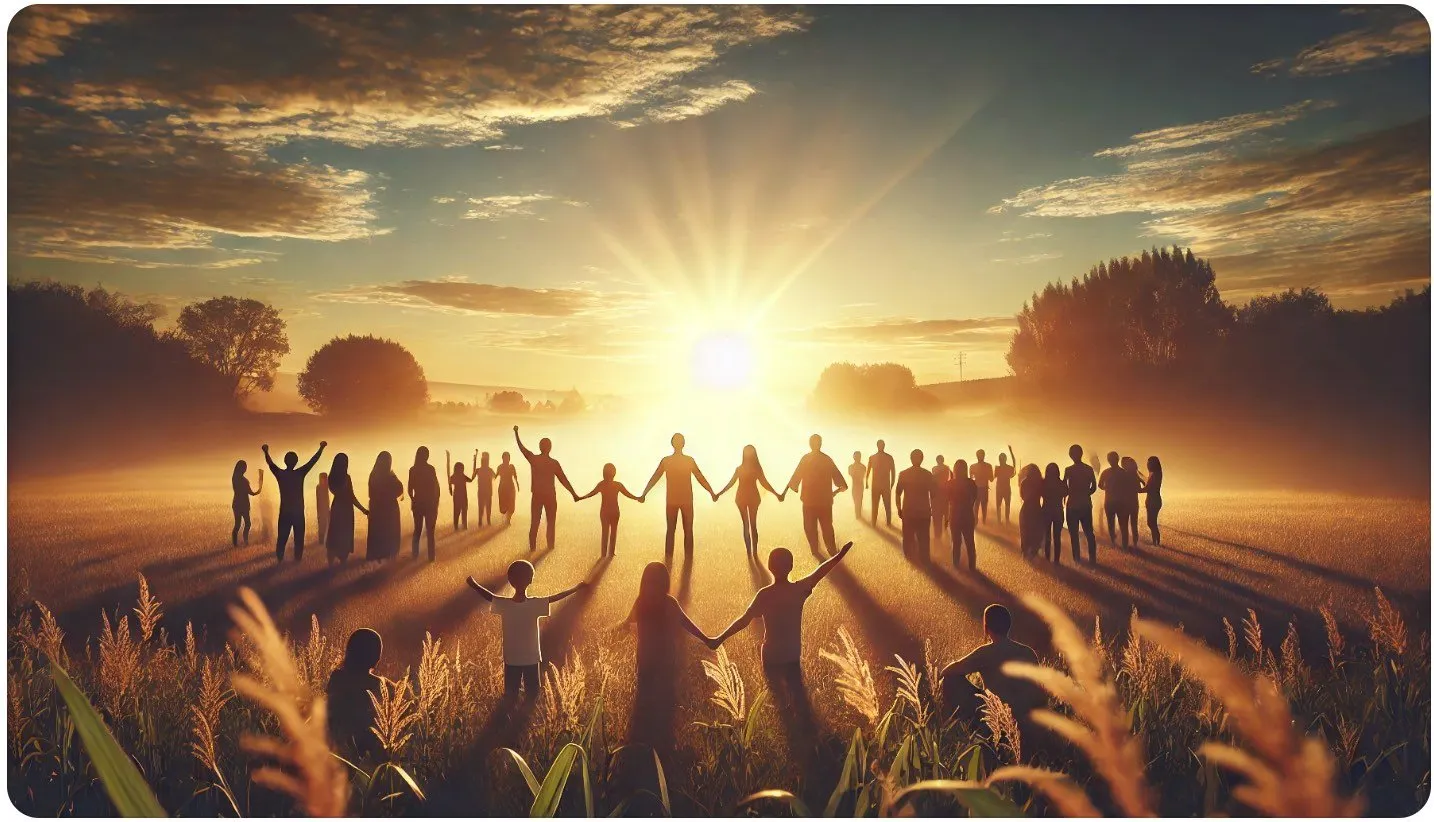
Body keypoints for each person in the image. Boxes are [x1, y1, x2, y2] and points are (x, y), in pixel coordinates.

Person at [709, 543, 852, 709]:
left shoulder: (765, 595)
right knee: (798, 697)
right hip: (791, 655)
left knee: (778, 700)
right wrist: (839, 555)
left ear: (769, 567)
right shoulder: (798, 590)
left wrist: (720, 638)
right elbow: (820, 572)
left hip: (771, 656)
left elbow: (744, 620)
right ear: (791, 566)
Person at [620, 562, 715, 751]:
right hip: (655, 660)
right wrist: (706, 638)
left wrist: (706, 638)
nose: (653, 585)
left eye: (654, 582)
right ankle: (655, 739)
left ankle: (649, 738)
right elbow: (630, 620)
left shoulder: (652, 601)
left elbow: (685, 623)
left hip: (655, 660)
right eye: (651, 581)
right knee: (655, 698)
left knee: (653, 697)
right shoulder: (656, 602)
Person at [467, 560, 588, 700]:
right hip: (531, 658)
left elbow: (490, 597)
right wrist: (575, 588)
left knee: (511, 695)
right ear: (530, 579)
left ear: (510, 580)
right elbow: (555, 598)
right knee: (532, 695)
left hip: (512, 658)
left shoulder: (505, 605)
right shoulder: (534, 604)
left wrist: (474, 585)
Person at [940, 604, 1045, 742]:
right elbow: (1038, 689)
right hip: (1028, 717)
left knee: (950, 680)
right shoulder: (1028, 652)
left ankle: (966, 725)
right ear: (1008, 626)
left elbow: (946, 672)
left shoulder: (986, 652)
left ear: (987, 627)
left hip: (999, 714)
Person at [640, 433, 715, 560]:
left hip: (672, 501)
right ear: (683, 444)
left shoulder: (667, 461)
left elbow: (655, 477)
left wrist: (644, 493)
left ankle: (669, 560)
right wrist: (711, 492)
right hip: (686, 500)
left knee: (671, 531)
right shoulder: (688, 460)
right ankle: (688, 560)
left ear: (672, 444)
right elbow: (700, 478)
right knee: (688, 531)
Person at [262, 441, 327, 563]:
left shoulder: (281, 474)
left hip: (285, 512)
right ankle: (297, 562)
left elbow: (270, 464)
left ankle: (279, 561)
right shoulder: (300, 473)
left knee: (282, 539)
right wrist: (321, 448)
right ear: (296, 462)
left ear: (285, 461)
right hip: (297, 512)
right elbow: (313, 461)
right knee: (299, 540)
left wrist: (266, 451)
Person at [514, 427, 577, 552]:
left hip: (538, 496)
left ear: (540, 447)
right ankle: (550, 548)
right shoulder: (553, 463)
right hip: (549, 496)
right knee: (551, 523)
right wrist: (573, 494)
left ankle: (533, 549)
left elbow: (522, 448)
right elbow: (564, 480)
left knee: (535, 522)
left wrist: (516, 433)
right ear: (550, 448)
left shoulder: (534, 459)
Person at [714, 445, 784, 557]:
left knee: (747, 524)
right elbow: (764, 483)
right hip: (751, 497)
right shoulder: (755, 469)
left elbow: (731, 484)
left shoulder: (741, 469)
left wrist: (718, 494)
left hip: (743, 497)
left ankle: (751, 553)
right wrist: (777, 494)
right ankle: (753, 553)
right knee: (752, 524)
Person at [786, 434, 848, 556]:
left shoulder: (806, 459)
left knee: (811, 527)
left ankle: (816, 551)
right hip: (824, 501)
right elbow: (842, 485)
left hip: (809, 502)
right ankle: (832, 552)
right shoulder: (827, 459)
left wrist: (787, 490)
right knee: (826, 527)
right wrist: (833, 493)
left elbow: (794, 482)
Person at [326, 628, 384, 760]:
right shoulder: (377, 684)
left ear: (349, 652)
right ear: (376, 657)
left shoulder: (337, 677)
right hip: (365, 749)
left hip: (335, 747)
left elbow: (329, 709)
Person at [576, 463, 641, 556]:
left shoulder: (601, 484)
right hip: (615, 511)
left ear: (603, 473)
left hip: (605, 511)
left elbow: (591, 493)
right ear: (614, 473)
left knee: (605, 532)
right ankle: (611, 552)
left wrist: (580, 498)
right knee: (613, 532)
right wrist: (638, 498)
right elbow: (628, 494)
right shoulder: (618, 485)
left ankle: (603, 553)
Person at [326, 453, 367, 563]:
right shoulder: (332, 478)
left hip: (346, 509)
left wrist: (363, 509)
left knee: (345, 533)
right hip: (340, 508)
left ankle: (342, 560)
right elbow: (337, 492)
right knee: (336, 533)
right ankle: (332, 560)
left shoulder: (346, 477)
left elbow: (352, 496)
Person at [896, 451, 936, 562]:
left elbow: (898, 493)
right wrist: (931, 509)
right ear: (922, 459)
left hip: (908, 512)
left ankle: (910, 564)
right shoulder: (928, 474)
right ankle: (925, 564)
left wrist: (899, 508)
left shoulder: (903, 474)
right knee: (923, 540)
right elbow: (933, 495)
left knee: (908, 539)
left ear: (910, 458)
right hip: (923, 512)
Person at [366, 451, 403, 562]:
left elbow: (371, 494)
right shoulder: (389, 475)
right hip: (388, 509)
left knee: (380, 532)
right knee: (388, 531)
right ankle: (387, 555)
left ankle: (379, 556)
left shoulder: (373, 474)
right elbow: (399, 489)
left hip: (378, 508)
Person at [1063, 445, 1097, 564]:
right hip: (1085, 504)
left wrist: (1070, 492)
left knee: (1074, 534)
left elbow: (1064, 488)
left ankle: (1077, 559)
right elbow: (1094, 487)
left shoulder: (1068, 470)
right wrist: (1086, 493)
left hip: (1073, 505)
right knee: (1088, 532)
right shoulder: (1088, 469)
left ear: (1071, 455)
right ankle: (1092, 558)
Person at [407, 447, 441, 560]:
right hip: (429, 503)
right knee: (430, 532)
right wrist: (436, 501)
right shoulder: (430, 469)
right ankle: (431, 557)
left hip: (418, 503)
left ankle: (415, 556)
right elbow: (436, 487)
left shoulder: (413, 469)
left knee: (417, 530)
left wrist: (414, 500)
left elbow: (409, 489)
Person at [948, 459, 979, 569]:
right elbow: (974, 498)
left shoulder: (950, 483)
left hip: (955, 515)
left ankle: (956, 566)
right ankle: (972, 567)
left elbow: (947, 500)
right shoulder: (970, 482)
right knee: (970, 542)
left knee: (956, 543)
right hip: (967, 515)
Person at [1098, 451, 1130, 550]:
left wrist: (1107, 488)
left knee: (1111, 523)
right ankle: (1124, 545)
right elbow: (1128, 487)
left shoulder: (1105, 472)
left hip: (1110, 502)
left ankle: (1114, 542)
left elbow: (1099, 485)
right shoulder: (1124, 472)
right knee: (1123, 525)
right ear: (1118, 459)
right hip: (1120, 502)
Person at [230, 460, 263, 547]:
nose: (245, 469)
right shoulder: (243, 480)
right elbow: (252, 493)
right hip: (243, 504)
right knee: (247, 523)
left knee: (237, 524)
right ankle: (245, 541)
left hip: (236, 503)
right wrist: (260, 483)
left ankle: (236, 544)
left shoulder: (235, 478)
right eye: (244, 467)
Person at [1041, 463, 1066, 563]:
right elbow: (1065, 493)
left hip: (1046, 510)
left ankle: (1047, 558)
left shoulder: (1043, 483)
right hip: (1058, 511)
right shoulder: (1060, 483)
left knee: (1047, 536)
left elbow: (1040, 493)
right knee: (1057, 537)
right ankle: (1056, 560)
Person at [1017, 463, 1044, 557]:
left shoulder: (1024, 482)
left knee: (1025, 530)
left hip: (1026, 508)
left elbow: (1022, 496)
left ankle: (1025, 551)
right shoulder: (1041, 482)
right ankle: (1034, 550)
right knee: (1036, 531)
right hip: (1037, 508)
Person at [868, 440, 895, 527]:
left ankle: (888, 523)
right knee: (876, 505)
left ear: (883, 445)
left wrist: (892, 482)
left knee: (887, 505)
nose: (881, 446)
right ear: (878, 446)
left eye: (882, 445)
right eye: (880, 445)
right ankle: (874, 523)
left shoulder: (888, 457)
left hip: (884, 485)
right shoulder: (872, 457)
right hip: (878, 485)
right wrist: (866, 482)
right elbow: (868, 471)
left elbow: (893, 471)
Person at [1120, 456, 1145, 548]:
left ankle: (1125, 544)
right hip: (1134, 503)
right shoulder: (1135, 477)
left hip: (1124, 504)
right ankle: (1135, 544)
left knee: (1124, 525)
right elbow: (1139, 490)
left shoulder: (1123, 475)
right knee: (1134, 524)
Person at [447, 450, 472, 532]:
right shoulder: (459, 476)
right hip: (459, 496)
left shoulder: (457, 476)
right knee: (458, 512)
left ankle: (462, 527)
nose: (462, 469)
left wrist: (450, 487)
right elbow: (470, 480)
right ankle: (458, 527)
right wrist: (450, 488)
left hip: (461, 496)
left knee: (461, 511)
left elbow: (470, 480)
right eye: (461, 468)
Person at [1142, 456, 1163, 546]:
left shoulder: (1154, 474)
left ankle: (1156, 542)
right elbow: (1147, 481)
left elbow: (1147, 488)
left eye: (1149, 463)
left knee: (1151, 522)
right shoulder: (1154, 473)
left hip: (1153, 500)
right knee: (1151, 522)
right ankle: (1155, 541)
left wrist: (1136, 489)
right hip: (1154, 500)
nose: (1147, 464)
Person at [931, 455, 952, 541]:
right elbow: (950, 477)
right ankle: (945, 524)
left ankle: (938, 534)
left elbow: (934, 479)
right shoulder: (947, 468)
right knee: (945, 509)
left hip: (939, 491)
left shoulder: (935, 468)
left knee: (938, 511)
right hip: (944, 490)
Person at [993, 447, 1016, 525]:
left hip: (1001, 488)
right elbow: (1013, 470)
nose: (1000, 460)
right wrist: (1011, 453)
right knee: (1005, 505)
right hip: (1004, 488)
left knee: (1003, 505)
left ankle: (1003, 520)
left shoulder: (998, 468)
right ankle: (1004, 520)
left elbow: (994, 477)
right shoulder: (1007, 468)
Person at [970, 449, 994, 525]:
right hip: (976, 489)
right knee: (976, 507)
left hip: (983, 488)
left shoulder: (988, 466)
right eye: (979, 455)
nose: (980, 456)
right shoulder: (973, 466)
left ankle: (983, 522)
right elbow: (971, 479)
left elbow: (991, 479)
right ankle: (977, 522)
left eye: (981, 455)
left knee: (983, 507)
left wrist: (985, 475)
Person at [496, 451, 519, 525]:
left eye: (507, 458)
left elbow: (515, 476)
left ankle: (508, 520)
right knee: (503, 508)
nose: (506, 459)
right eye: (504, 458)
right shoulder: (500, 467)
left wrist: (518, 485)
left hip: (510, 487)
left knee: (511, 505)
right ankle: (505, 518)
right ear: (502, 458)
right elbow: (495, 476)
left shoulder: (511, 466)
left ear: (509, 459)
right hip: (502, 487)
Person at [474, 451, 496, 526]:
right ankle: (483, 521)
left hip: (484, 491)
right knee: (485, 506)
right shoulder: (488, 470)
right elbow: (495, 477)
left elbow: (494, 477)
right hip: (485, 491)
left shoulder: (480, 470)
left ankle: (484, 521)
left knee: (484, 506)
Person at [848, 452, 867, 518]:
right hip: (855, 486)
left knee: (859, 501)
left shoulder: (863, 466)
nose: (857, 458)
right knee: (856, 501)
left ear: (860, 457)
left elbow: (863, 475)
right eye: (856, 456)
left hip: (860, 486)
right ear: (853, 457)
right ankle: (858, 515)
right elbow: (851, 474)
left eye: (858, 456)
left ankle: (858, 516)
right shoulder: (851, 466)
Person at [316, 472, 330, 546]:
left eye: (325, 478)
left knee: (326, 524)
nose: (324, 480)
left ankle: (325, 539)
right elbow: (318, 500)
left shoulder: (326, 486)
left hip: (326, 507)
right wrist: (319, 511)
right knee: (321, 525)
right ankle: (321, 540)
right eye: (323, 478)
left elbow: (327, 498)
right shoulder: (318, 487)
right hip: (321, 509)